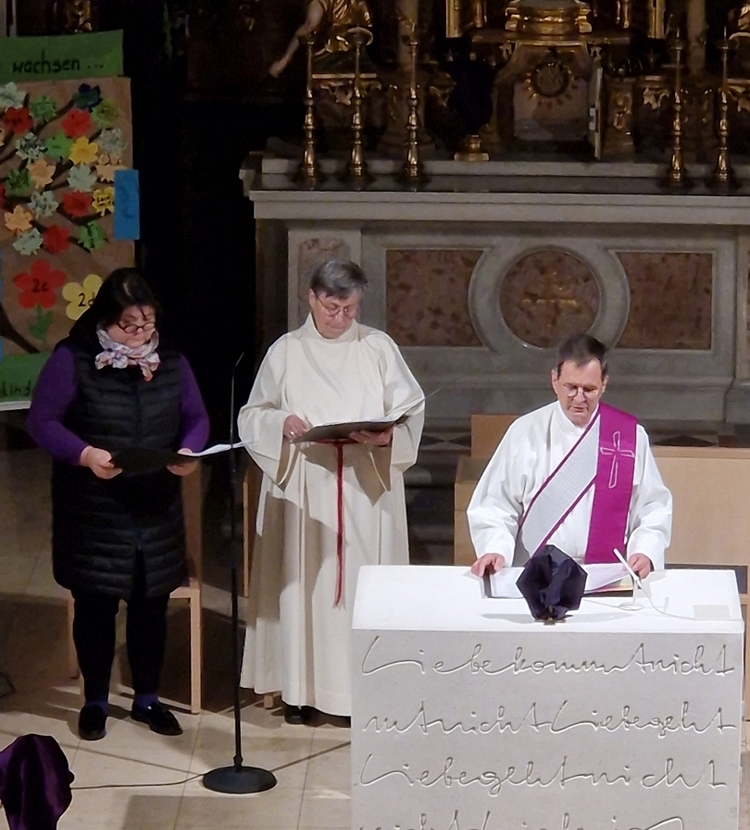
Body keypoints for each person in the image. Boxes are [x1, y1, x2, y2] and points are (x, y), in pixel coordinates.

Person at [239, 259, 424, 723]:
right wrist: (281, 421)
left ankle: (364, 692)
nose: (341, 318)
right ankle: (300, 691)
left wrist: (386, 437)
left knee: (361, 590)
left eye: (350, 309)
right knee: (308, 589)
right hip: (306, 487)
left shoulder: (377, 347)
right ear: (312, 297)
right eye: (331, 308)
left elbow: (411, 411)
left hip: (364, 486)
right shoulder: (287, 351)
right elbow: (252, 415)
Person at [27, 268, 209, 741]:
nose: (141, 333)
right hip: (95, 507)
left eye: (147, 324)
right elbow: (42, 421)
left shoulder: (170, 359)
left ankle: (147, 698)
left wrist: (188, 451)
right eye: (130, 325)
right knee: (95, 607)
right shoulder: (73, 358)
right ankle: (95, 700)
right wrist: (85, 454)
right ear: (105, 319)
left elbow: (196, 416)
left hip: (155, 506)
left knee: (152, 606)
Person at [468, 334, 672, 579]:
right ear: (554, 380)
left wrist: (645, 550)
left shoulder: (628, 437)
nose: (579, 398)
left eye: (589, 389)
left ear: (604, 384)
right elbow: (496, 503)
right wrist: (495, 549)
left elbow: (652, 507)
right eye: (571, 387)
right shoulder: (525, 432)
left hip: (607, 575)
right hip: (537, 575)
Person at [269, 0, 373, 78]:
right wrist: (285, 59)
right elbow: (310, 25)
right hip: (329, 46)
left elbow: (366, 21)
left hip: (353, 44)